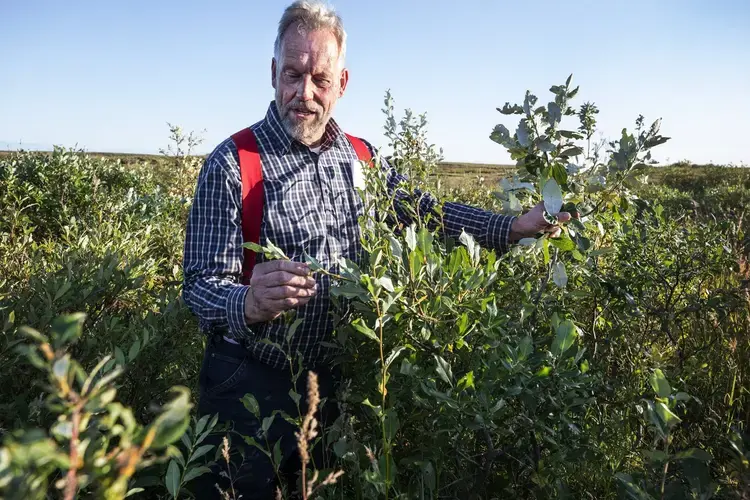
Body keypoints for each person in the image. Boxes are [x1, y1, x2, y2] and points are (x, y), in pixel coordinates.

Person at [181, 1, 570, 497]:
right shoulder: (233, 163)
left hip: (334, 385)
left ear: (341, 83)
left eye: (319, 79)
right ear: (272, 72)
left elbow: (424, 212)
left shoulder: (362, 157)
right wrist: (246, 302)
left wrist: (512, 227)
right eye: (293, 74)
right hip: (247, 383)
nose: (304, 93)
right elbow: (198, 288)